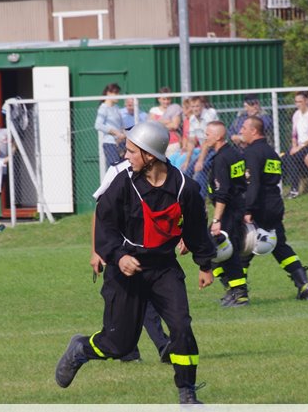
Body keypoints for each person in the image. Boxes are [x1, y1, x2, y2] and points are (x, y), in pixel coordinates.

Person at [55, 121, 215, 405]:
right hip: (125, 272)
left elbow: (196, 228)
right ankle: (81, 348)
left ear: (150, 155)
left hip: (163, 269)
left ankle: (187, 394)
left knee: (181, 327)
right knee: (119, 344)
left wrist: (205, 264)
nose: (126, 156)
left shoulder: (185, 188)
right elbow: (105, 225)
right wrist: (119, 257)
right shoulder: (123, 183)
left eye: (131, 151)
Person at [90, 158, 171, 363]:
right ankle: (127, 351)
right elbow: (100, 212)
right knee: (118, 300)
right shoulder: (118, 170)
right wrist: (97, 250)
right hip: (118, 250)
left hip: (146, 249)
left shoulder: (162, 168)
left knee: (145, 297)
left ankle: (163, 345)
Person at [240, 116, 308, 300]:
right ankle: (305, 286)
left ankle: (238, 293)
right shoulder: (271, 152)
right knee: (279, 246)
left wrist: (248, 209)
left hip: (259, 206)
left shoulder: (252, 153)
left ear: (254, 131)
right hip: (275, 204)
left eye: (244, 128)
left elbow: (253, 183)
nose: (241, 131)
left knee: (243, 248)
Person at [205, 121, 249, 307]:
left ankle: (240, 294)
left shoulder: (222, 159)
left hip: (228, 212)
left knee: (228, 252)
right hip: (235, 209)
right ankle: (231, 289)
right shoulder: (233, 153)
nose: (205, 137)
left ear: (218, 136)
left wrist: (216, 220)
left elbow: (222, 192)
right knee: (211, 249)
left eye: (208, 134)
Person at [283, 91, 308, 199]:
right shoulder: (296, 115)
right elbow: (294, 135)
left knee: (292, 158)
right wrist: (294, 146)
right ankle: (280, 188)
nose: (298, 104)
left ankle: (294, 189)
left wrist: (298, 148)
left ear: (306, 101)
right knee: (283, 158)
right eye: (296, 102)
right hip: (299, 146)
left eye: (300, 101)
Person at [94, 82, 126, 167]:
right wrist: (115, 132)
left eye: (118, 93)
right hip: (110, 144)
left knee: (123, 168)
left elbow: (122, 125)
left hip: (121, 144)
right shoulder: (103, 108)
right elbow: (98, 125)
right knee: (115, 169)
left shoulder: (117, 108)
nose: (118, 95)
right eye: (116, 93)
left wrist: (123, 135)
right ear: (108, 93)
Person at [153, 87, 184, 156]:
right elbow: (151, 126)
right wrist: (168, 122)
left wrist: (158, 122)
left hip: (173, 143)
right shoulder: (153, 111)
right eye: (164, 99)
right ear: (159, 99)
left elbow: (175, 125)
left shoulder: (175, 108)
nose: (166, 101)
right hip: (157, 144)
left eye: (168, 99)